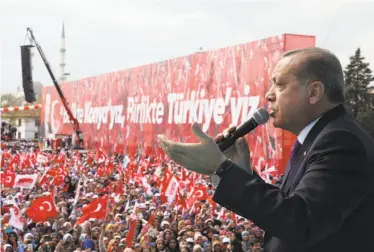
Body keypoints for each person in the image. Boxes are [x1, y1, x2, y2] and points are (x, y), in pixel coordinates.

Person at [157, 47, 374, 252]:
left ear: (314, 92)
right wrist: (241, 172)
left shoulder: (340, 141)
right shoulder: (316, 138)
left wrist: (222, 168)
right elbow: (284, 206)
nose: (269, 95)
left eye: (279, 85)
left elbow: (301, 221)